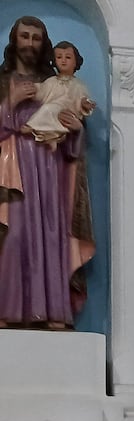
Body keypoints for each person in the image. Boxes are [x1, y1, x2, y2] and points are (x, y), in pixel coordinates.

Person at [0, 16, 95, 329]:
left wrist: (77, 130)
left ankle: (53, 311)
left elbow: (73, 140)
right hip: (11, 171)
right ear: (14, 40)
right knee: (13, 238)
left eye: (36, 38)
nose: (29, 43)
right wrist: (9, 103)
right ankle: (9, 311)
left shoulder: (55, 84)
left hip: (50, 169)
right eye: (24, 36)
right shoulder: (2, 81)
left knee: (51, 236)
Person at [22, 40, 95, 150]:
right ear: (54, 61)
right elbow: (42, 90)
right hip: (53, 112)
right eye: (59, 57)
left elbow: (82, 99)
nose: (63, 61)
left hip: (66, 114)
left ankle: (32, 127)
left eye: (68, 57)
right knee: (48, 108)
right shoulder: (51, 81)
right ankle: (51, 139)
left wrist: (85, 104)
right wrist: (34, 88)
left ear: (76, 62)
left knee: (48, 108)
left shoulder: (79, 85)